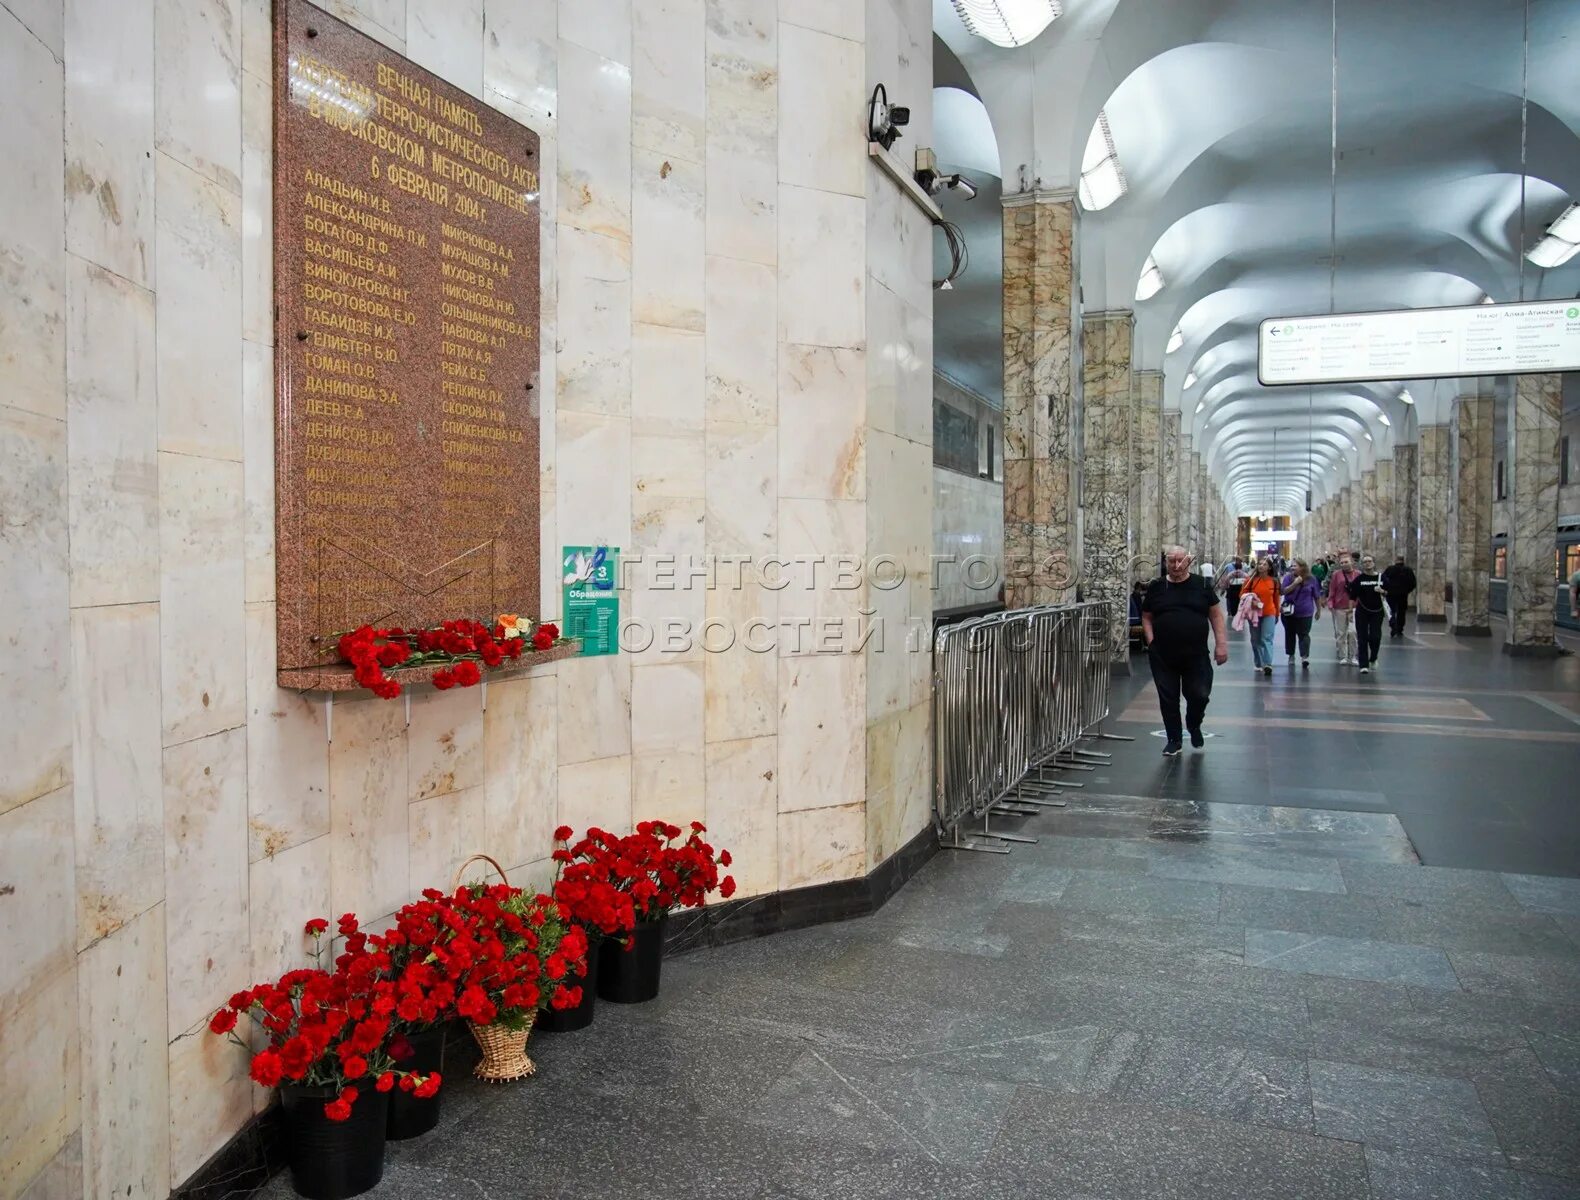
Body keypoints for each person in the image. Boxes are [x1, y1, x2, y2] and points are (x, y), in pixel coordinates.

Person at [1141, 546, 1230, 756]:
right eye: (1172, 561)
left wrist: (1221, 644)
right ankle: (1174, 739)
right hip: (1163, 655)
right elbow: (1146, 615)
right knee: (1168, 698)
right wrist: (1151, 640)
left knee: (1199, 694)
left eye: (1181, 561)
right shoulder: (1157, 587)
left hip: (1196, 654)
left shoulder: (1201, 585)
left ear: (1188, 561)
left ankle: (1194, 723)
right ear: (1166, 562)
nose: (1176, 565)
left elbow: (1216, 615)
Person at [1280, 558, 1323, 669]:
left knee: (1304, 634)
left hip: (1305, 612)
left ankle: (1304, 656)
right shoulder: (1288, 578)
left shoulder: (1311, 579)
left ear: (1303, 567)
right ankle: (1291, 655)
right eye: (1292, 566)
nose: (1293, 568)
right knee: (1290, 634)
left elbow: (1316, 595)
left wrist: (1318, 610)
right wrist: (1295, 583)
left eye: (1296, 566)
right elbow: (1283, 591)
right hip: (1289, 612)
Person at [1243, 557, 1282, 676]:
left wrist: (1277, 614)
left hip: (1268, 612)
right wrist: (1252, 601)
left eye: (1264, 564)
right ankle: (1258, 662)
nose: (1261, 566)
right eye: (1259, 564)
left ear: (1269, 567)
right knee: (1255, 640)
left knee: (1267, 638)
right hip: (1254, 613)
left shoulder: (1274, 581)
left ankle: (1268, 664)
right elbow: (1242, 594)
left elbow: (1276, 598)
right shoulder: (1250, 580)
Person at [1352, 554, 1387, 673]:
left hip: (1377, 611)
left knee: (1375, 637)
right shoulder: (1359, 579)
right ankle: (1363, 664)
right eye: (1365, 562)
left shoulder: (1382, 578)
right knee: (1362, 637)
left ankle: (1373, 657)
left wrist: (1382, 591)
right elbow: (1352, 595)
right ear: (1362, 565)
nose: (1367, 563)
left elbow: (1390, 592)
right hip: (1362, 611)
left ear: (1374, 563)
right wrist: (1349, 610)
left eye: (1369, 561)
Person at [1327, 553, 1361, 664]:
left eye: (1346, 562)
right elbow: (1332, 589)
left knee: (1353, 632)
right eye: (1342, 563)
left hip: (1355, 607)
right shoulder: (1336, 574)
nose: (1344, 564)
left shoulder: (1358, 574)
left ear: (1352, 562)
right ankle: (1343, 656)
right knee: (1341, 633)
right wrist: (1330, 603)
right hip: (1339, 607)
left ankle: (1353, 656)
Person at [1380, 555, 1418, 638]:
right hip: (1403, 595)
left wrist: (1385, 590)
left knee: (1391, 610)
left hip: (1391, 594)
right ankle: (1400, 628)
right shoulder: (1408, 570)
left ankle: (1393, 624)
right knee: (1401, 612)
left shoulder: (1390, 569)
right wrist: (1407, 591)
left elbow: (1383, 580)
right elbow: (1413, 583)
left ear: (1396, 560)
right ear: (1403, 561)